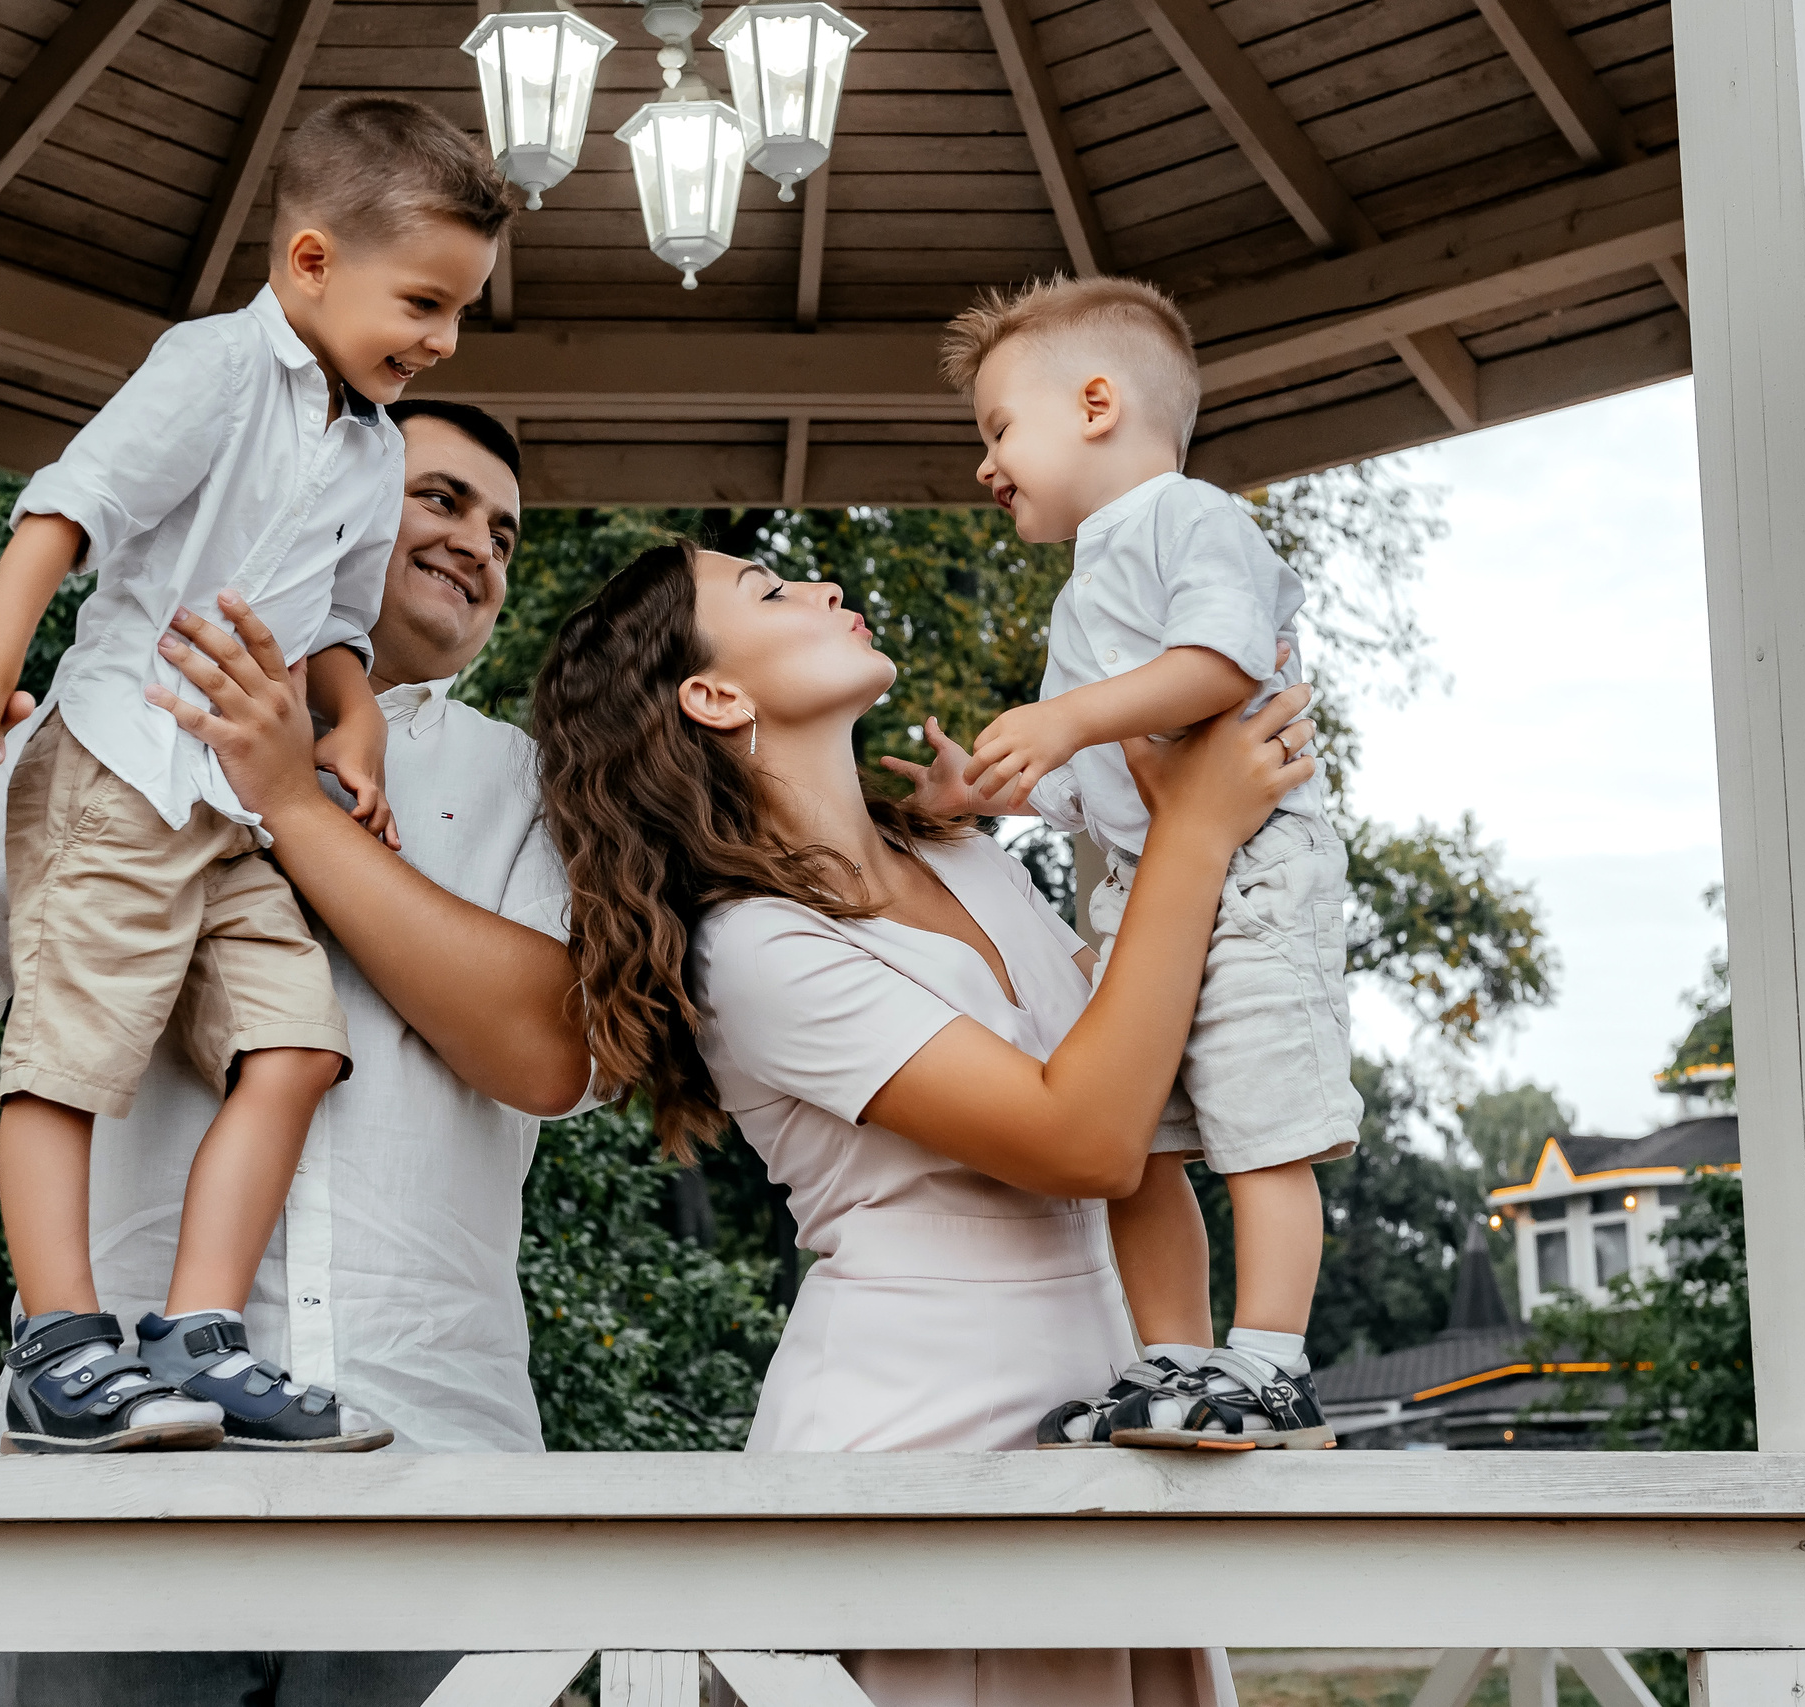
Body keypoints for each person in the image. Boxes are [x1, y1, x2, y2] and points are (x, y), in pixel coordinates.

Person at [0, 401, 586, 1707]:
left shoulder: (531, 784)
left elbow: (548, 1049)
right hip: (109, 1497)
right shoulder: (102, 735)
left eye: (505, 530)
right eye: (439, 500)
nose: (479, 544)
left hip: (441, 1477)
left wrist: (286, 802)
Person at [533, 538, 1315, 1707]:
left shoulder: (967, 856)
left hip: (1109, 1420)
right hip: (912, 1453)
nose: (823, 588)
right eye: (766, 589)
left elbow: (1145, 1078)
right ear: (713, 695)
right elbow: (1089, 1142)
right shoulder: (752, 948)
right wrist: (1194, 837)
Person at [0, 97, 520, 1454]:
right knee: (70, 1055)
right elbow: (71, 502)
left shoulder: (371, 445)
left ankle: (197, 1337)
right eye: (423, 302)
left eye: (460, 311)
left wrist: (352, 727)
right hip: (122, 765)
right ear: (307, 262)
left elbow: (340, 623)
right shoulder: (214, 369)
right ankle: (61, 1342)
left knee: (296, 1046)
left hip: (230, 812)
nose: (443, 340)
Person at [901, 275, 1359, 1450]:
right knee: (1137, 1146)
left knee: (1263, 1125)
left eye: (999, 429)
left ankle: (1267, 1363)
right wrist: (992, 790)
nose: (985, 465)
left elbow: (1221, 660)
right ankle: (1170, 1359)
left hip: (1251, 881)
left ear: (1096, 402)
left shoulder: (1188, 518)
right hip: (1141, 894)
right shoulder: (1084, 591)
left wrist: (1065, 720)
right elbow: (1085, 782)